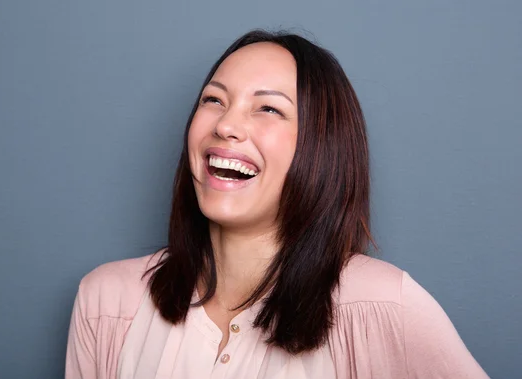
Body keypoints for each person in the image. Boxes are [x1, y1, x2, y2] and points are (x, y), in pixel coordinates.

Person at [65, 30, 488, 378]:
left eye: (268, 108)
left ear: (320, 148)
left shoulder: (383, 306)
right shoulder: (106, 303)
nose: (227, 125)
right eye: (214, 100)